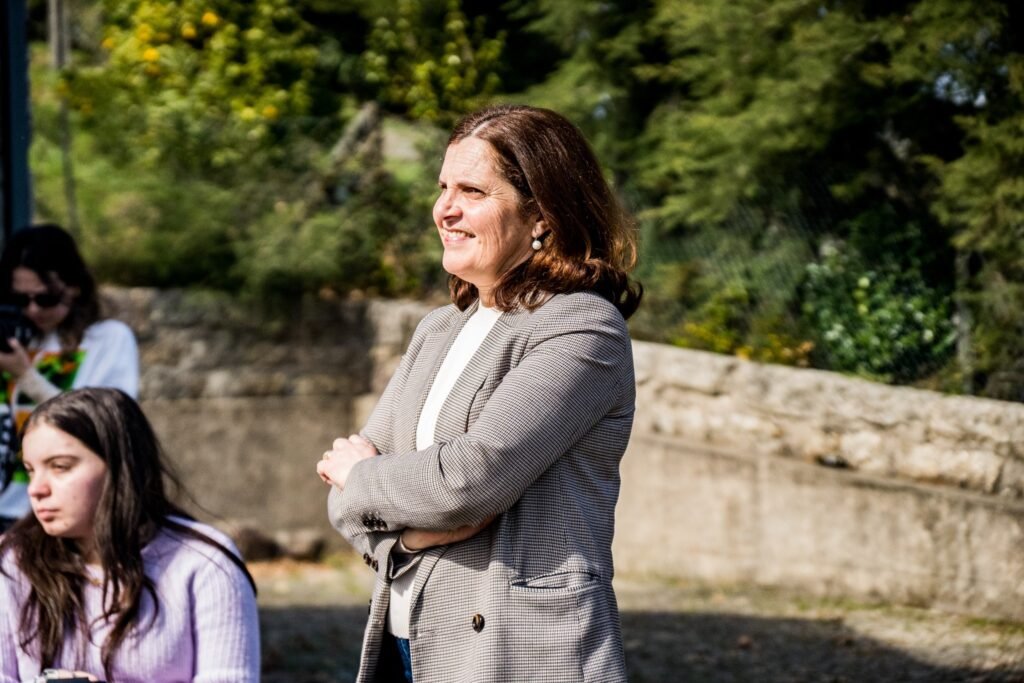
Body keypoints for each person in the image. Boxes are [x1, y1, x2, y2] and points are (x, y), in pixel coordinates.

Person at [318, 104, 642, 683]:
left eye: (472, 190)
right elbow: (342, 499)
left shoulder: (583, 328)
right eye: (443, 188)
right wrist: (410, 537)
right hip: (408, 642)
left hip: (519, 653)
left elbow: (468, 481)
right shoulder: (438, 329)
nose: (445, 208)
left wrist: (364, 478)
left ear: (542, 214)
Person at [0, 387, 260, 682]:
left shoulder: (204, 563)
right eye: (30, 470)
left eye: (60, 467)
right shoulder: (11, 562)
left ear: (120, 466)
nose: (36, 489)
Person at [0, 224, 138, 532]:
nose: (33, 309)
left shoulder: (107, 339)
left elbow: (106, 426)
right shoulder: (14, 337)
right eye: (21, 299)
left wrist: (25, 375)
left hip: (58, 517)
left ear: (74, 286)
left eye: (46, 298)